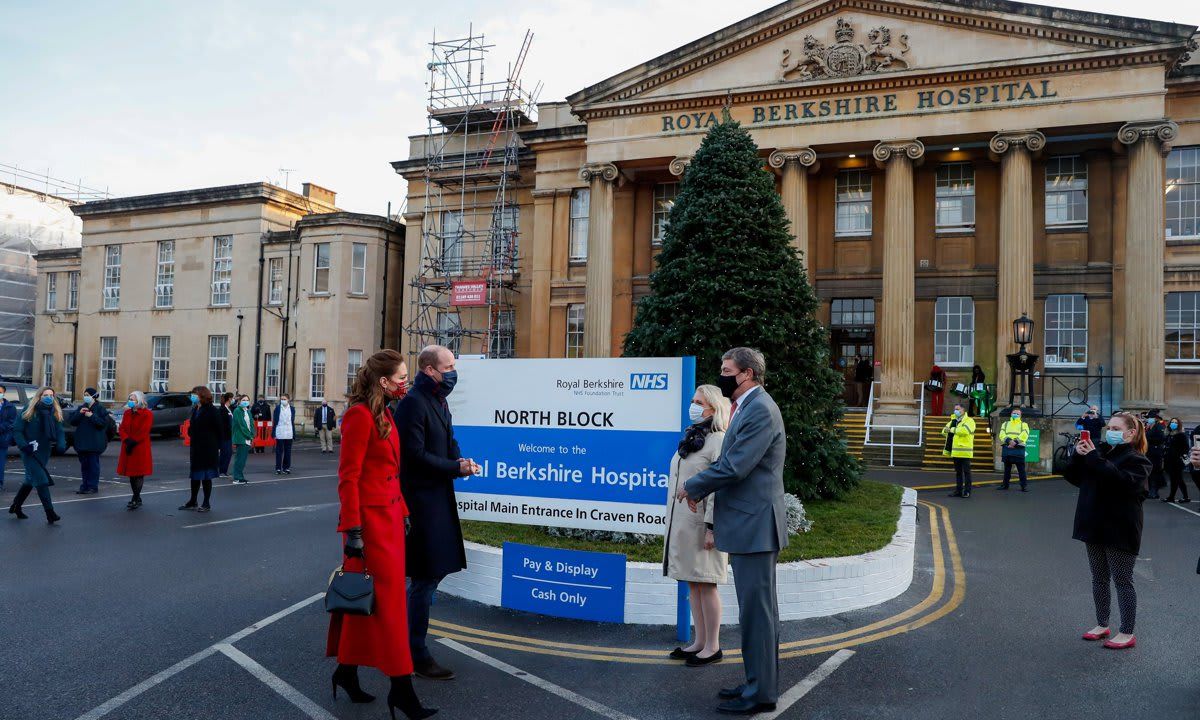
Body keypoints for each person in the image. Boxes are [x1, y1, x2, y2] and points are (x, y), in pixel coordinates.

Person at [678, 347, 788, 715]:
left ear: (748, 375)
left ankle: (760, 693)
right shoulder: (748, 407)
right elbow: (728, 460)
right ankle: (757, 683)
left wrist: (694, 486)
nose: (722, 375)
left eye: (727, 370)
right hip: (749, 524)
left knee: (758, 615)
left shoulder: (760, 409)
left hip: (756, 526)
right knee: (756, 614)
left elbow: (735, 467)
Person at [327, 349, 435, 720]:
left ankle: (345, 671)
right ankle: (402, 692)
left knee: (367, 604)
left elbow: (390, 471)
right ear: (384, 382)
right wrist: (353, 529)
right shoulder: (359, 416)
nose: (406, 383)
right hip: (369, 526)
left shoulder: (384, 412)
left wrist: (403, 510)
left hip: (389, 517)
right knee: (389, 609)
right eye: (402, 378)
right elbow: (349, 477)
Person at [395, 344, 475, 681]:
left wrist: (462, 462)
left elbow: (449, 440)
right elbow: (413, 456)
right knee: (425, 579)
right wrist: (454, 467)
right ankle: (416, 652)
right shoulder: (413, 403)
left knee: (433, 574)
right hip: (421, 503)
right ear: (430, 370)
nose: (453, 372)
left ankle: (410, 643)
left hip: (438, 499)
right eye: (449, 366)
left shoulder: (438, 401)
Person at [1063, 411, 1151, 650]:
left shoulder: (1138, 460)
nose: (1109, 432)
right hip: (1093, 524)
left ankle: (1127, 631)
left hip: (1119, 528)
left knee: (1123, 580)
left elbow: (1123, 482)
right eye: (1109, 427)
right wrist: (1078, 456)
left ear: (1131, 433)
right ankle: (1102, 624)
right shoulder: (1098, 453)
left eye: (1115, 428)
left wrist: (1093, 457)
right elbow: (1074, 477)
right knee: (1099, 578)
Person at [663, 384, 731, 666]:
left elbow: (719, 487)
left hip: (703, 526)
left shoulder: (719, 440)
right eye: (692, 400)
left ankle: (713, 646)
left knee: (707, 585)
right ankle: (699, 641)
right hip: (684, 525)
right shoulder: (693, 438)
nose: (692, 406)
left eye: (698, 402)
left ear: (713, 408)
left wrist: (713, 528)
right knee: (694, 584)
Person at [8, 387, 66, 524]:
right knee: (41, 480)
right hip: (29, 451)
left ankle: (16, 506)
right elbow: (17, 430)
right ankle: (50, 513)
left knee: (30, 480)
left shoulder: (54, 411)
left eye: (51, 395)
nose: (49, 397)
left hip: (44, 451)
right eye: (45, 395)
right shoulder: (30, 409)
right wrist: (23, 445)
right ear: (39, 396)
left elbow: (60, 431)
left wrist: (61, 444)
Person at [179, 386, 220, 513]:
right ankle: (193, 500)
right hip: (196, 447)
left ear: (202, 395)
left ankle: (206, 503)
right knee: (195, 475)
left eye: (194, 394)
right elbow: (193, 426)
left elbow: (219, 429)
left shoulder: (212, 410)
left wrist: (217, 446)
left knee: (206, 476)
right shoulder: (195, 409)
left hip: (208, 448)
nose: (192, 397)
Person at [70, 387, 111, 495]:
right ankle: (84, 486)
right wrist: (80, 413)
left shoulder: (100, 408)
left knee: (93, 466)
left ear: (94, 396)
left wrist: (92, 416)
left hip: (94, 443)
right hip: (82, 443)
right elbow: (72, 421)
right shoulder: (82, 407)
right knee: (84, 466)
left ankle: (93, 486)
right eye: (85, 395)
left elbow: (103, 423)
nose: (86, 397)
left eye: (88, 395)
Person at [117, 391, 153, 510]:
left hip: (140, 446)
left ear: (140, 401)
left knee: (138, 473)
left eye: (133, 399)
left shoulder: (147, 414)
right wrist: (126, 440)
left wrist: (133, 441)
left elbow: (144, 430)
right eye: (130, 399)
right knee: (131, 474)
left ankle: (136, 497)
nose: (130, 401)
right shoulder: (127, 413)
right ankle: (136, 497)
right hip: (128, 445)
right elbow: (122, 428)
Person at [942, 403, 976, 498]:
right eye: (955, 409)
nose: (955, 411)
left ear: (963, 410)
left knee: (967, 472)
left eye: (958, 409)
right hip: (956, 451)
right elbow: (944, 430)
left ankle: (967, 491)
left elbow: (965, 431)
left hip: (965, 451)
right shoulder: (953, 420)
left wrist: (951, 430)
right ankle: (958, 490)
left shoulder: (969, 421)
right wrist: (946, 430)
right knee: (958, 473)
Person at [997, 409, 1030, 492]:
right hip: (1008, 447)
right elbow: (1001, 434)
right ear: (1011, 414)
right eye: (1014, 413)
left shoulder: (1024, 424)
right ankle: (1005, 485)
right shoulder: (1005, 424)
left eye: (1017, 414)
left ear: (1020, 416)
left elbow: (1025, 434)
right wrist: (1009, 441)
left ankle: (1024, 486)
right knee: (1007, 469)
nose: (1015, 414)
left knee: (1021, 469)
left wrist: (1014, 442)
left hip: (1018, 447)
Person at [1164, 417, 1191, 503]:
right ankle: (1171, 497)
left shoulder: (1181, 435)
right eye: (1172, 422)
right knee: (1173, 479)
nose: (1173, 424)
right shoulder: (1169, 434)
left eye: (1175, 422)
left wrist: (1181, 456)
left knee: (1179, 479)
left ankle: (1186, 497)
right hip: (1170, 460)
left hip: (1178, 461)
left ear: (1178, 424)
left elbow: (1186, 448)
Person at [232, 394, 254, 485]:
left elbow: (251, 424)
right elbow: (242, 425)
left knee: (243, 459)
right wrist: (249, 435)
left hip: (247, 438)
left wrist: (252, 434)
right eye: (244, 400)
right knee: (239, 459)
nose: (246, 402)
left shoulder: (248, 411)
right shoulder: (237, 411)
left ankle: (240, 477)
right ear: (240, 401)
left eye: (247, 400)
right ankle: (237, 478)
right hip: (241, 437)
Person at [1144, 411, 1166, 499]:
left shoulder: (1159, 426)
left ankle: (1154, 491)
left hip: (1156, 452)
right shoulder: (1149, 427)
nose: (1148, 419)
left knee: (1155, 471)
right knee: (1150, 471)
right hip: (1149, 451)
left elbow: (1161, 438)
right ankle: (1150, 490)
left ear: (1155, 418)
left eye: (1150, 417)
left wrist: (1149, 439)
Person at [0, 385, 17, 492]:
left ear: (4, 393)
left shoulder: (10, 407)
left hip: (2, 439)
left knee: (0, 463)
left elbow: (12, 422)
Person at [273, 394, 295, 475]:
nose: (283, 400)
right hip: (280, 431)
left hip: (289, 432)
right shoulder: (278, 408)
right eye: (281, 399)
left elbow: (292, 422)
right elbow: (275, 421)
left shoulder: (292, 409)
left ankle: (286, 467)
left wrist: (294, 433)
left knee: (288, 451)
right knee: (279, 451)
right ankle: (278, 468)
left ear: (288, 399)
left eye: (284, 399)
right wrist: (273, 432)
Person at [217, 392, 234, 478]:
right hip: (224, 435)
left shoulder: (229, 409)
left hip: (229, 435)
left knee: (229, 453)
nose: (233, 400)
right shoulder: (222, 409)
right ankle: (221, 471)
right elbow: (221, 424)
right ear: (229, 399)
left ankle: (224, 470)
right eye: (232, 398)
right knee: (224, 453)